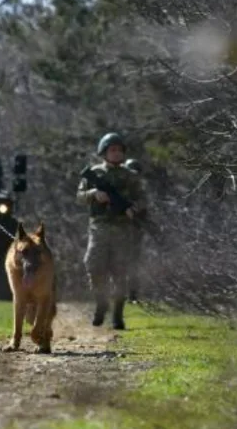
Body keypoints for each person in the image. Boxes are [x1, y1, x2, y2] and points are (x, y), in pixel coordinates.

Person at [76, 133, 146, 330]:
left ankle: (117, 314)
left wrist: (134, 209)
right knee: (94, 265)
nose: (116, 153)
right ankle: (101, 302)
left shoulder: (131, 176)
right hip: (98, 227)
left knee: (120, 272)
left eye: (119, 150)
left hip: (122, 229)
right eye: (112, 150)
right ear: (104, 152)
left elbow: (142, 199)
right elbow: (79, 197)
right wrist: (93, 194)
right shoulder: (94, 173)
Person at [124, 158, 146, 303]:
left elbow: (143, 208)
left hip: (134, 231)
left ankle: (132, 295)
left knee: (133, 264)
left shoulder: (139, 192)